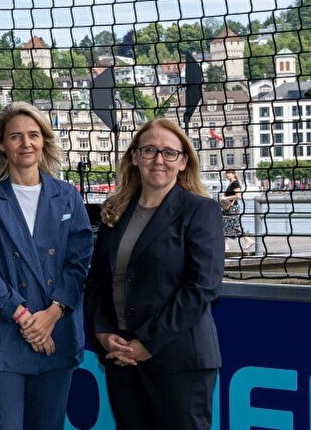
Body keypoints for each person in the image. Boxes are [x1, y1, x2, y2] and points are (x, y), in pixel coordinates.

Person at [84, 118, 224, 429]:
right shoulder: (115, 212)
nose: (158, 160)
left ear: (183, 161)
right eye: (149, 150)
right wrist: (105, 335)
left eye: (169, 152)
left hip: (179, 362)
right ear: (134, 157)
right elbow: (97, 283)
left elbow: (202, 288)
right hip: (123, 360)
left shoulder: (201, 211)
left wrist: (146, 343)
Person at [0, 103, 93, 429]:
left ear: (44, 141)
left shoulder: (67, 196)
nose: (26, 143)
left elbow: (79, 263)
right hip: (4, 336)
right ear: (2, 145)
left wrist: (51, 315)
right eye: (16, 136)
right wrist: (25, 318)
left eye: (33, 135)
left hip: (57, 333)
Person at [220, 169, 252, 254]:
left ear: (234, 174)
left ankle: (247, 240)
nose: (227, 175)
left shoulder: (235, 183)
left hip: (233, 208)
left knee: (231, 224)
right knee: (226, 224)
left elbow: (238, 196)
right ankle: (227, 244)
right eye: (226, 173)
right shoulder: (231, 183)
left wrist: (225, 198)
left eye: (229, 173)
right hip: (229, 207)